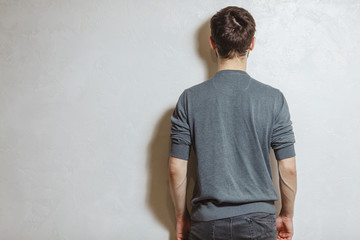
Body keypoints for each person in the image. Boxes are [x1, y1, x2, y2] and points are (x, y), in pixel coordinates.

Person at [168, 6, 297, 240]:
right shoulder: (274, 99)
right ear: (252, 44)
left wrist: (180, 217)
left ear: (212, 43)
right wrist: (287, 215)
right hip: (258, 221)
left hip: (206, 223)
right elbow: (287, 168)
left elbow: (176, 169)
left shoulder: (189, 99)